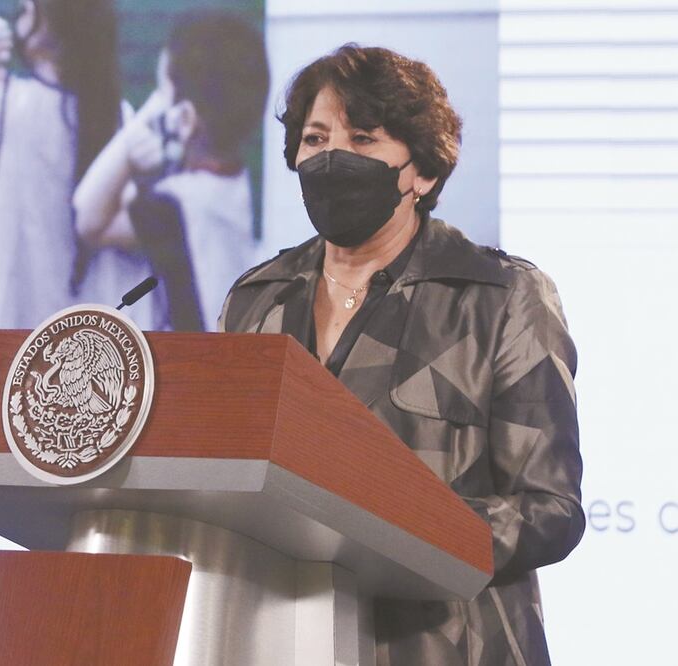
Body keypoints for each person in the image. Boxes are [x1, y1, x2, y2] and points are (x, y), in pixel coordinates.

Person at [219, 45, 584, 665]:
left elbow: (549, 508)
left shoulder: (501, 297)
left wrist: (398, 530)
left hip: (450, 646)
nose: (332, 158)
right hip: (281, 639)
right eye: (315, 138)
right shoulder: (256, 300)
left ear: (423, 173)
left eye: (363, 139)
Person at [72, 11, 269, 332]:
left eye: (162, 94)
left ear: (186, 118)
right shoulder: (232, 184)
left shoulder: (173, 207)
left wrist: (133, 136)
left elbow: (87, 218)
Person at [0, 0, 121, 329]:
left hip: (10, 313)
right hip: (82, 322)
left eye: (26, 11)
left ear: (53, 29)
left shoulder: (12, 101)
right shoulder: (117, 117)